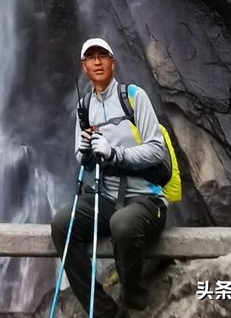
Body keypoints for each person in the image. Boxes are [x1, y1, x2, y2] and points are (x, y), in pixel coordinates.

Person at [50, 38, 168, 317]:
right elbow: (83, 160)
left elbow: (156, 148)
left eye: (103, 56)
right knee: (60, 224)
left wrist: (116, 154)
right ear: (84, 66)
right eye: (91, 58)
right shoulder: (84, 106)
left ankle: (135, 299)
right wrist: (83, 153)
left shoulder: (134, 97)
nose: (98, 62)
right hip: (105, 197)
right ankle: (105, 311)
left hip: (146, 198)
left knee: (122, 224)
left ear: (113, 62)